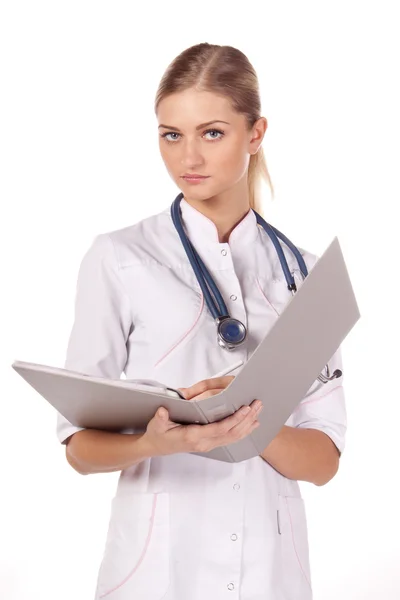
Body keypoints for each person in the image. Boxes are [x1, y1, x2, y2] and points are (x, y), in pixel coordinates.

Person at [57, 42, 346, 600]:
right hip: (156, 565)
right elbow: (78, 447)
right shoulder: (118, 259)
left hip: (270, 569)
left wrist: (248, 425)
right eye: (171, 134)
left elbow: (324, 461)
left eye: (212, 133)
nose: (188, 157)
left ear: (256, 135)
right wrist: (154, 445)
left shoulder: (306, 277)